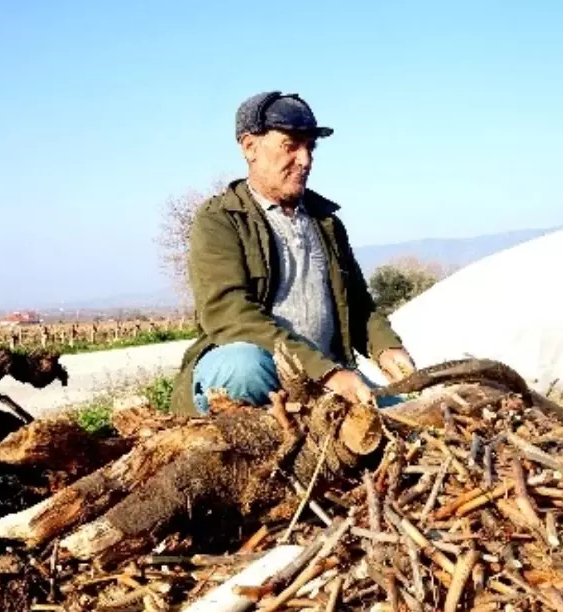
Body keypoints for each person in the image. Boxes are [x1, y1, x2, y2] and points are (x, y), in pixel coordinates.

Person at [169, 91, 417, 416]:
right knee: (241, 368)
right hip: (272, 372)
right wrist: (325, 371)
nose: (305, 160)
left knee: (415, 416)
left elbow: (358, 306)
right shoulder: (220, 220)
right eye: (291, 146)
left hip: (329, 379)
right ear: (249, 147)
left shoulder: (326, 222)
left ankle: (323, 411)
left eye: (310, 148)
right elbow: (229, 316)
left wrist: (387, 347)